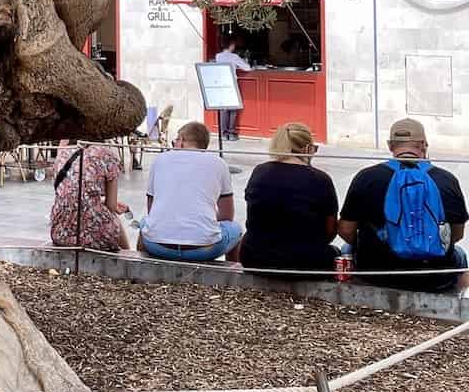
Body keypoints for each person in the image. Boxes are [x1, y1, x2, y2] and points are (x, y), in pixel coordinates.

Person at [339, 118, 468, 293]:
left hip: (377, 273)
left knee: (346, 248)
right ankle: (455, 304)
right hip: (434, 276)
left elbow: (346, 231)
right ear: (423, 144)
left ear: (390, 145)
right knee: (459, 254)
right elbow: (456, 235)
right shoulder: (447, 180)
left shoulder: (366, 178)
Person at [238, 122, 340, 276]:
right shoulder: (321, 179)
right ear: (307, 149)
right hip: (306, 262)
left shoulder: (260, 172)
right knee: (338, 252)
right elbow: (330, 230)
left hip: (255, 258)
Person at [138, 120, 242, 262]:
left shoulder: (160, 160)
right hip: (205, 249)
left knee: (145, 224)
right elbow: (227, 216)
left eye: (175, 141)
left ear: (181, 141)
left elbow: (151, 209)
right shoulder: (219, 163)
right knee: (236, 228)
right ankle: (233, 279)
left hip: (157, 245)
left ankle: (140, 270)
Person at [49, 141, 130, 251]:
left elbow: (71, 194)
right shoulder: (107, 155)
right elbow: (111, 205)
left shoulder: (62, 154)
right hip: (93, 236)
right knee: (114, 220)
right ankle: (128, 254)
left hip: (60, 232)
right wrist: (112, 205)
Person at [213, 36, 250, 139]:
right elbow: (247, 68)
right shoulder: (234, 57)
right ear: (231, 45)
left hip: (221, 84)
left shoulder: (218, 56)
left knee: (224, 109)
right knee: (233, 108)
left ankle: (223, 134)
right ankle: (231, 133)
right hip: (231, 83)